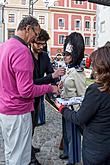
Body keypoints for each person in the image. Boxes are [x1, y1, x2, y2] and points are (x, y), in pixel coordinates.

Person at [0, 16, 59, 165]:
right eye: (36, 33)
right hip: (18, 112)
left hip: (5, 110)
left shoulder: (4, 46)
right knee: (20, 158)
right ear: (28, 29)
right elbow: (26, 91)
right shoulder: (22, 51)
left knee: (10, 152)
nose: (36, 37)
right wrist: (50, 87)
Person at [56, 46, 110, 165]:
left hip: (96, 147)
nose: (92, 67)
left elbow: (80, 117)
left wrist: (61, 108)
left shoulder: (95, 89)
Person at [30, 29, 65, 164]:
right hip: (27, 98)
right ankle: (31, 158)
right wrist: (52, 77)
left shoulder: (44, 56)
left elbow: (51, 73)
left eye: (43, 44)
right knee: (27, 127)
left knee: (33, 125)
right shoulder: (26, 55)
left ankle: (30, 147)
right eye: (38, 44)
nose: (40, 47)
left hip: (38, 98)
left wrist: (57, 83)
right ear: (31, 41)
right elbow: (31, 83)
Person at [59, 32, 86, 165]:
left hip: (73, 109)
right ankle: (66, 151)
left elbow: (81, 94)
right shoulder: (68, 69)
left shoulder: (78, 72)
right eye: (64, 54)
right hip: (64, 106)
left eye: (68, 54)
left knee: (73, 134)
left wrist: (79, 113)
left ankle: (73, 158)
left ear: (74, 55)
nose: (65, 56)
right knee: (65, 132)